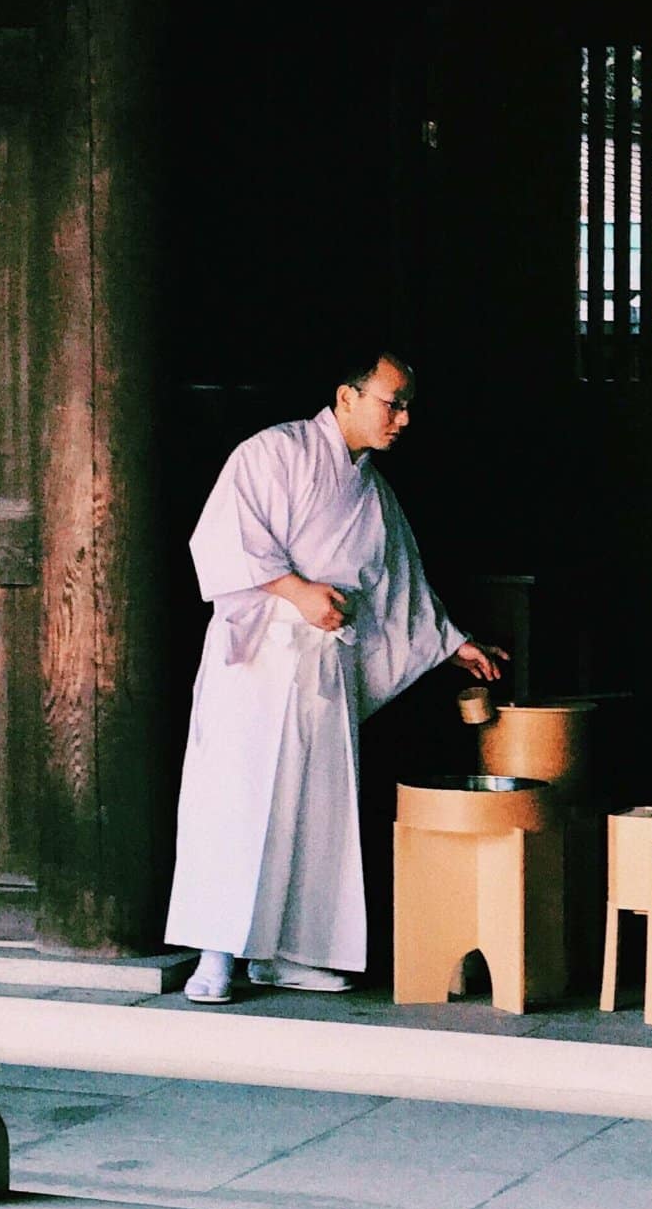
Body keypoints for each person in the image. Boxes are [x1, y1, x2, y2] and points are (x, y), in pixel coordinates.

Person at [167, 351, 505, 1005]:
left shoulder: (373, 493)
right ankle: (217, 952)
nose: (402, 418)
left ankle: (293, 953)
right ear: (346, 397)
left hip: (325, 663)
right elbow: (225, 537)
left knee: (317, 809)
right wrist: (297, 592)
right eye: (391, 402)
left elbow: (402, 585)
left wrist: (454, 643)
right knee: (235, 801)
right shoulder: (273, 452)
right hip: (259, 654)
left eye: (408, 406)